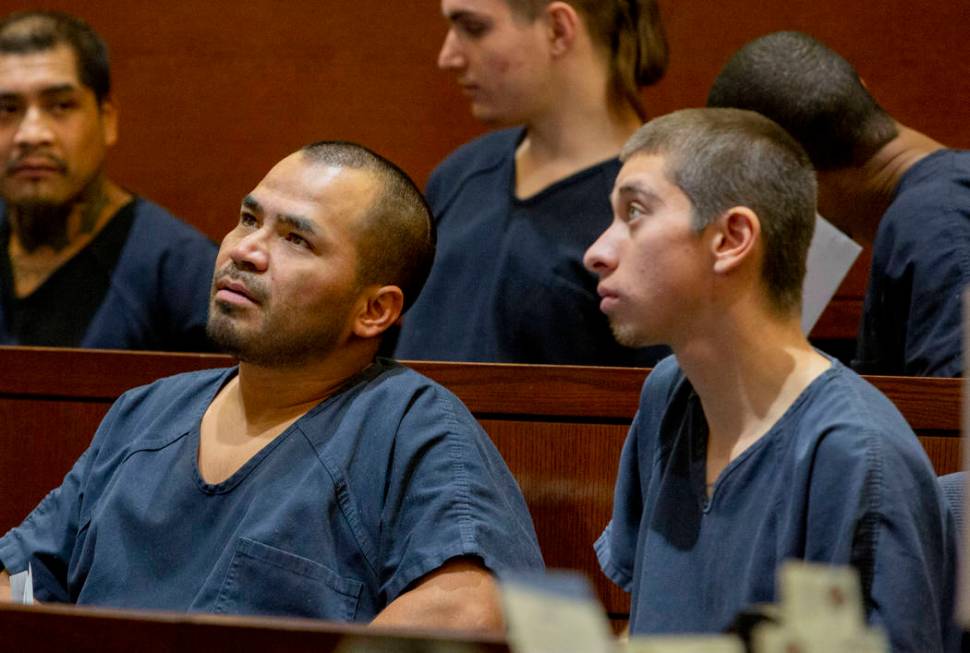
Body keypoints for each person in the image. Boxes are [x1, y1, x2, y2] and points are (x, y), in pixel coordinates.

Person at [0, 141, 544, 629]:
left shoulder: (411, 427)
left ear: (375, 309)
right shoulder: (145, 413)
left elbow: (471, 609)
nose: (245, 250)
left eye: (296, 239)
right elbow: (19, 574)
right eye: (247, 218)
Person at [587, 109, 959, 651]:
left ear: (731, 238)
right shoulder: (670, 393)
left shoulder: (853, 455)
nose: (597, 251)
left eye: (635, 212)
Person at [393, 0, 670, 365]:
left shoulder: (657, 207)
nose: (448, 57)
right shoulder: (461, 174)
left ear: (557, 29)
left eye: (473, 28)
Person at [707, 31, 969, 377]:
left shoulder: (935, 223)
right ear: (863, 91)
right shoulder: (935, 208)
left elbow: (951, 413)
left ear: (787, 168)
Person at [0, 11, 216, 351]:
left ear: (107, 119)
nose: (31, 135)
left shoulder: (182, 274)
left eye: (60, 106)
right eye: (6, 109)